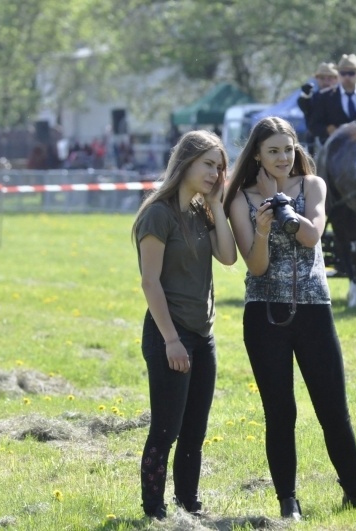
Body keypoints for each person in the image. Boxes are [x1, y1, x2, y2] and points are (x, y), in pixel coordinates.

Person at [223, 117, 356, 521]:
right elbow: (256, 267)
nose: (282, 157)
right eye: (273, 150)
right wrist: (261, 229)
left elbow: (312, 237)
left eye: (288, 149)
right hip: (265, 315)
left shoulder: (313, 186)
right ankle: (288, 502)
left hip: (314, 310)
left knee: (333, 408)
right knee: (281, 413)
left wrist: (281, 205)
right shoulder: (239, 200)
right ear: (257, 154)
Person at [131, 130, 237, 520]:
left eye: (220, 167)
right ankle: (154, 511)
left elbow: (228, 257)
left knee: (195, 430)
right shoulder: (157, 214)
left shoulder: (202, 211)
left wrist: (216, 204)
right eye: (208, 164)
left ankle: (189, 505)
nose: (215, 173)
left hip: (202, 335)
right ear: (186, 162)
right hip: (168, 335)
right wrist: (171, 341)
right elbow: (149, 281)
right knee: (166, 428)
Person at [309, 54, 356, 146]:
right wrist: (328, 129)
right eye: (343, 73)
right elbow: (314, 126)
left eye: (351, 73)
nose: (347, 77)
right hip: (334, 153)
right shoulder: (324, 97)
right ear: (338, 74)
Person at [297, 62, 339, 153]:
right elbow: (304, 106)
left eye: (330, 78)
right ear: (317, 79)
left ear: (337, 79)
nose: (326, 81)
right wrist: (305, 95)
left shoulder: (342, 98)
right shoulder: (313, 98)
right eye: (322, 78)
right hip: (316, 144)